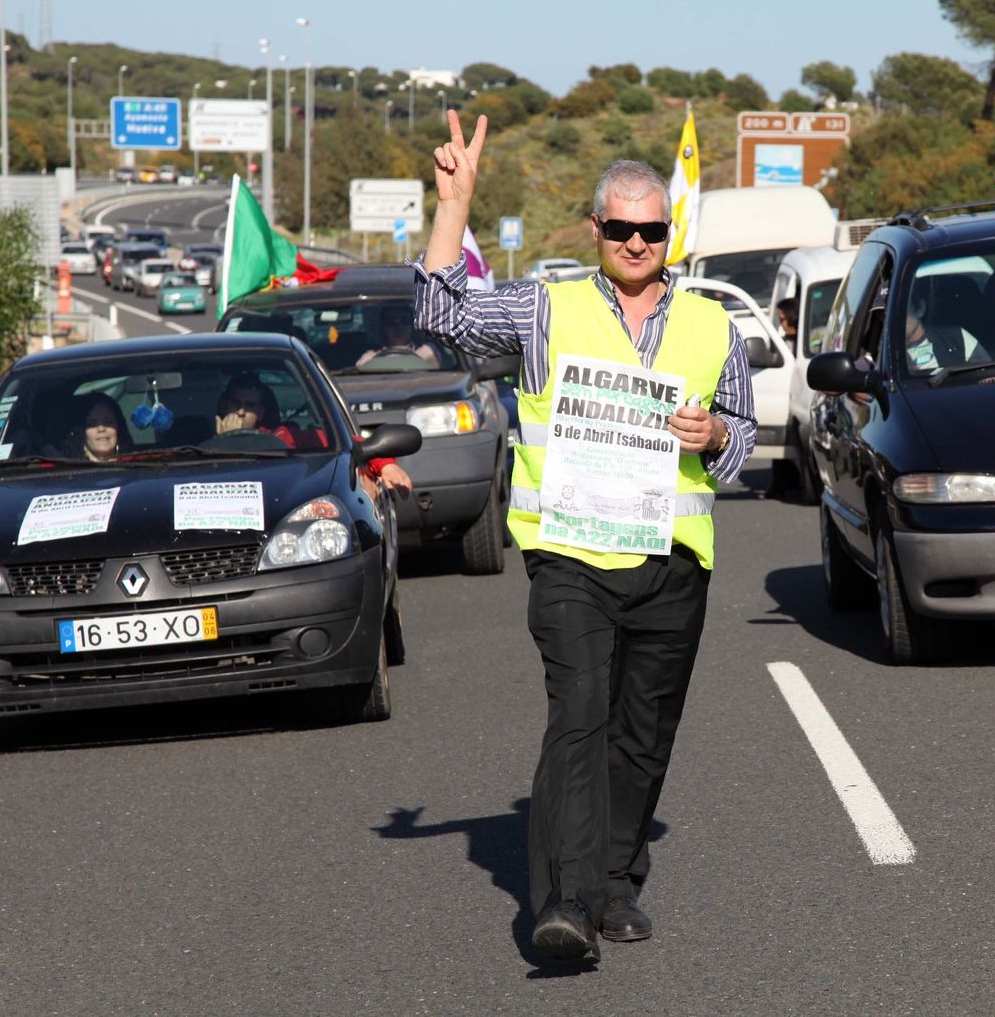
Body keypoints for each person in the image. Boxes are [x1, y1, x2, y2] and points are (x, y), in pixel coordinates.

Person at [415, 112, 756, 962]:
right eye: (621, 228)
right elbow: (436, 310)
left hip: (673, 564)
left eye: (651, 229)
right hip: (569, 556)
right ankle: (563, 905)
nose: (637, 243)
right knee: (580, 716)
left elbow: (742, 441)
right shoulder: (544, 308)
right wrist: (453, 206)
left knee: (643, 733)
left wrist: (714, 438)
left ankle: (614, 886)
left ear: (667, 233)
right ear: (596, 228)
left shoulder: (714, 325)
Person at [215, 373, 411, 496]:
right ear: (224, 403)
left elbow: (351, 445)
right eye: (235, 403)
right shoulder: (191, 438)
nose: (240, 412)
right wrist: (224, 442)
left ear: (262, 412)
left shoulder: (285, 436)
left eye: (250, 406)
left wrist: (386, 466)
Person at [356, 304, 440, 367]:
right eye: (392, 322)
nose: (399, 327)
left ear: (412, 325)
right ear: (384, 328)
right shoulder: (370, 358)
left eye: (405, 320)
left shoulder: (427, 352)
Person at [64, 394, 131, 462]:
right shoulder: (66, 470)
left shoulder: (136, 465)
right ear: (81, 431)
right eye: (92, 424)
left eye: (108, 422)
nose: (101, 429)